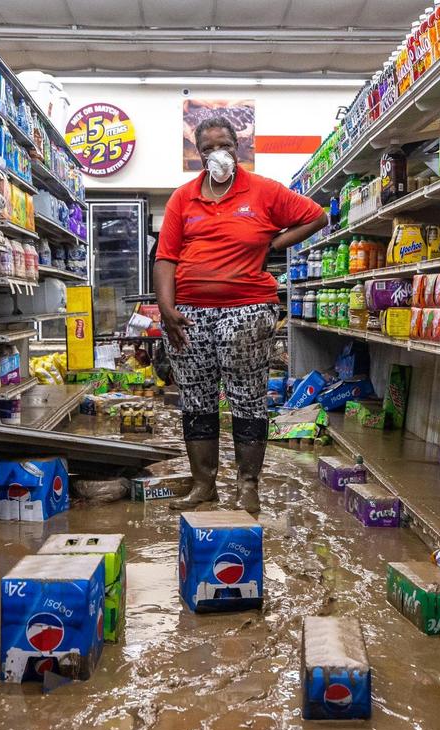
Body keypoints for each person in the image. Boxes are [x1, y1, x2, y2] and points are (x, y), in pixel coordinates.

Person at [154, 116, 327, 513]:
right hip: (190, 314)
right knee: (196, 400)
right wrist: (167, 309)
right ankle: (204, 485)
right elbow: (166, 257)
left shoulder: (264, 191)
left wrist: (273, 244)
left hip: (247, 310)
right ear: (198, 154)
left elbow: (317, 215)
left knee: (247, 399)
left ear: (239, 148)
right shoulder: (184, 198)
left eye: (226, 145)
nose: (219, 153)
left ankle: (248, 486)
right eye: (209, 147)